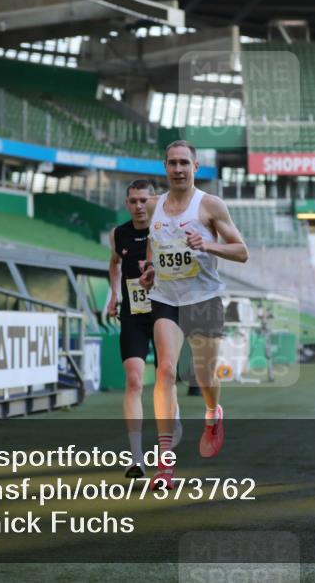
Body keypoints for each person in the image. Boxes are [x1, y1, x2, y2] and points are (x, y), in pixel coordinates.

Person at [139, 140, 249, 488]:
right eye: (172, 163)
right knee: (165, 370)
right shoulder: (153, 205)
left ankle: (213, 413)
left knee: (203, 377)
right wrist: (149, 268)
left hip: (203, 299)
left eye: (184, 163)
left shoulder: (210, 205)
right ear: (165, 167)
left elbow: (242, 252)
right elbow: (153, 244)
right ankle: (165, 463)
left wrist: (208, 244)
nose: (178, 169)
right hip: (165, 298)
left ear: (195, 167)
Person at [107, 179, 180, 478]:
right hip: (134, 315)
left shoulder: (165, 230)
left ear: (153, 201)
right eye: (133, 201)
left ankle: (172, 421)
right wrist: (114, 294)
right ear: (127, 203)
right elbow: (114, 263)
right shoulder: (119, 234)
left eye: (144, 200)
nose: (139, 206)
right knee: (134, 380)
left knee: (166, 375)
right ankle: (136, 458)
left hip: (165, 311)